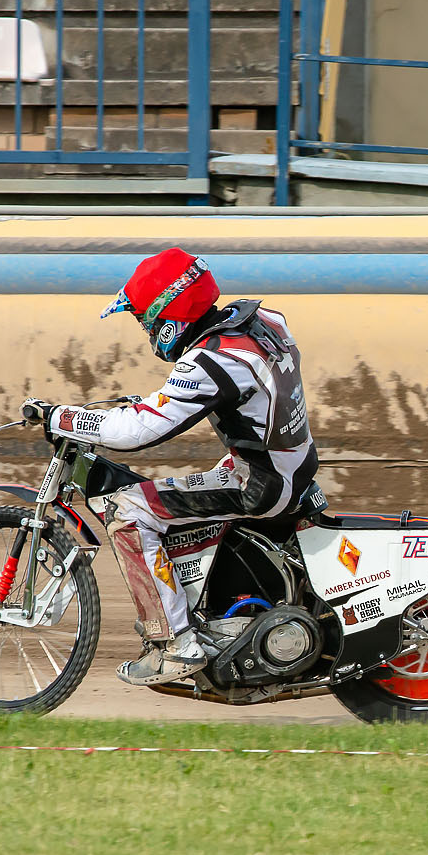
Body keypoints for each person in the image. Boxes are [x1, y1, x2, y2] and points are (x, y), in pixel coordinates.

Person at [21, 248, 320, 685]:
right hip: (288, 462)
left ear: (169, 314)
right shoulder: (262, 321)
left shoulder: (210, 362)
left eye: (144, 319)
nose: (145, 329)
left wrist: (60, 417)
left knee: (129, 511)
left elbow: (139, 433)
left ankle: (175, 646)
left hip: (261, 483)